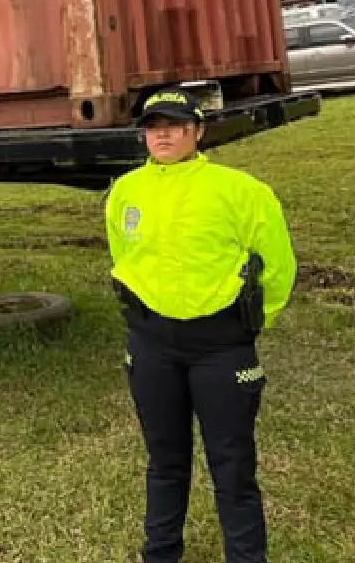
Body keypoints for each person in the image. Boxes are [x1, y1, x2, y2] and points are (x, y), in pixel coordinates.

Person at [106, 89, 297, 563]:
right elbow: (123, 255)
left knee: (232, 465)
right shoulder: (126, 191)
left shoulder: (241, 191)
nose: (163, 134)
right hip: (152, 345)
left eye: (174, 124)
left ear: (198, 131)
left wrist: (250, 325)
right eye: (153, 126)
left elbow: (278, 266)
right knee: (166, 462)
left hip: (221, 346)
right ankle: (161, 553)